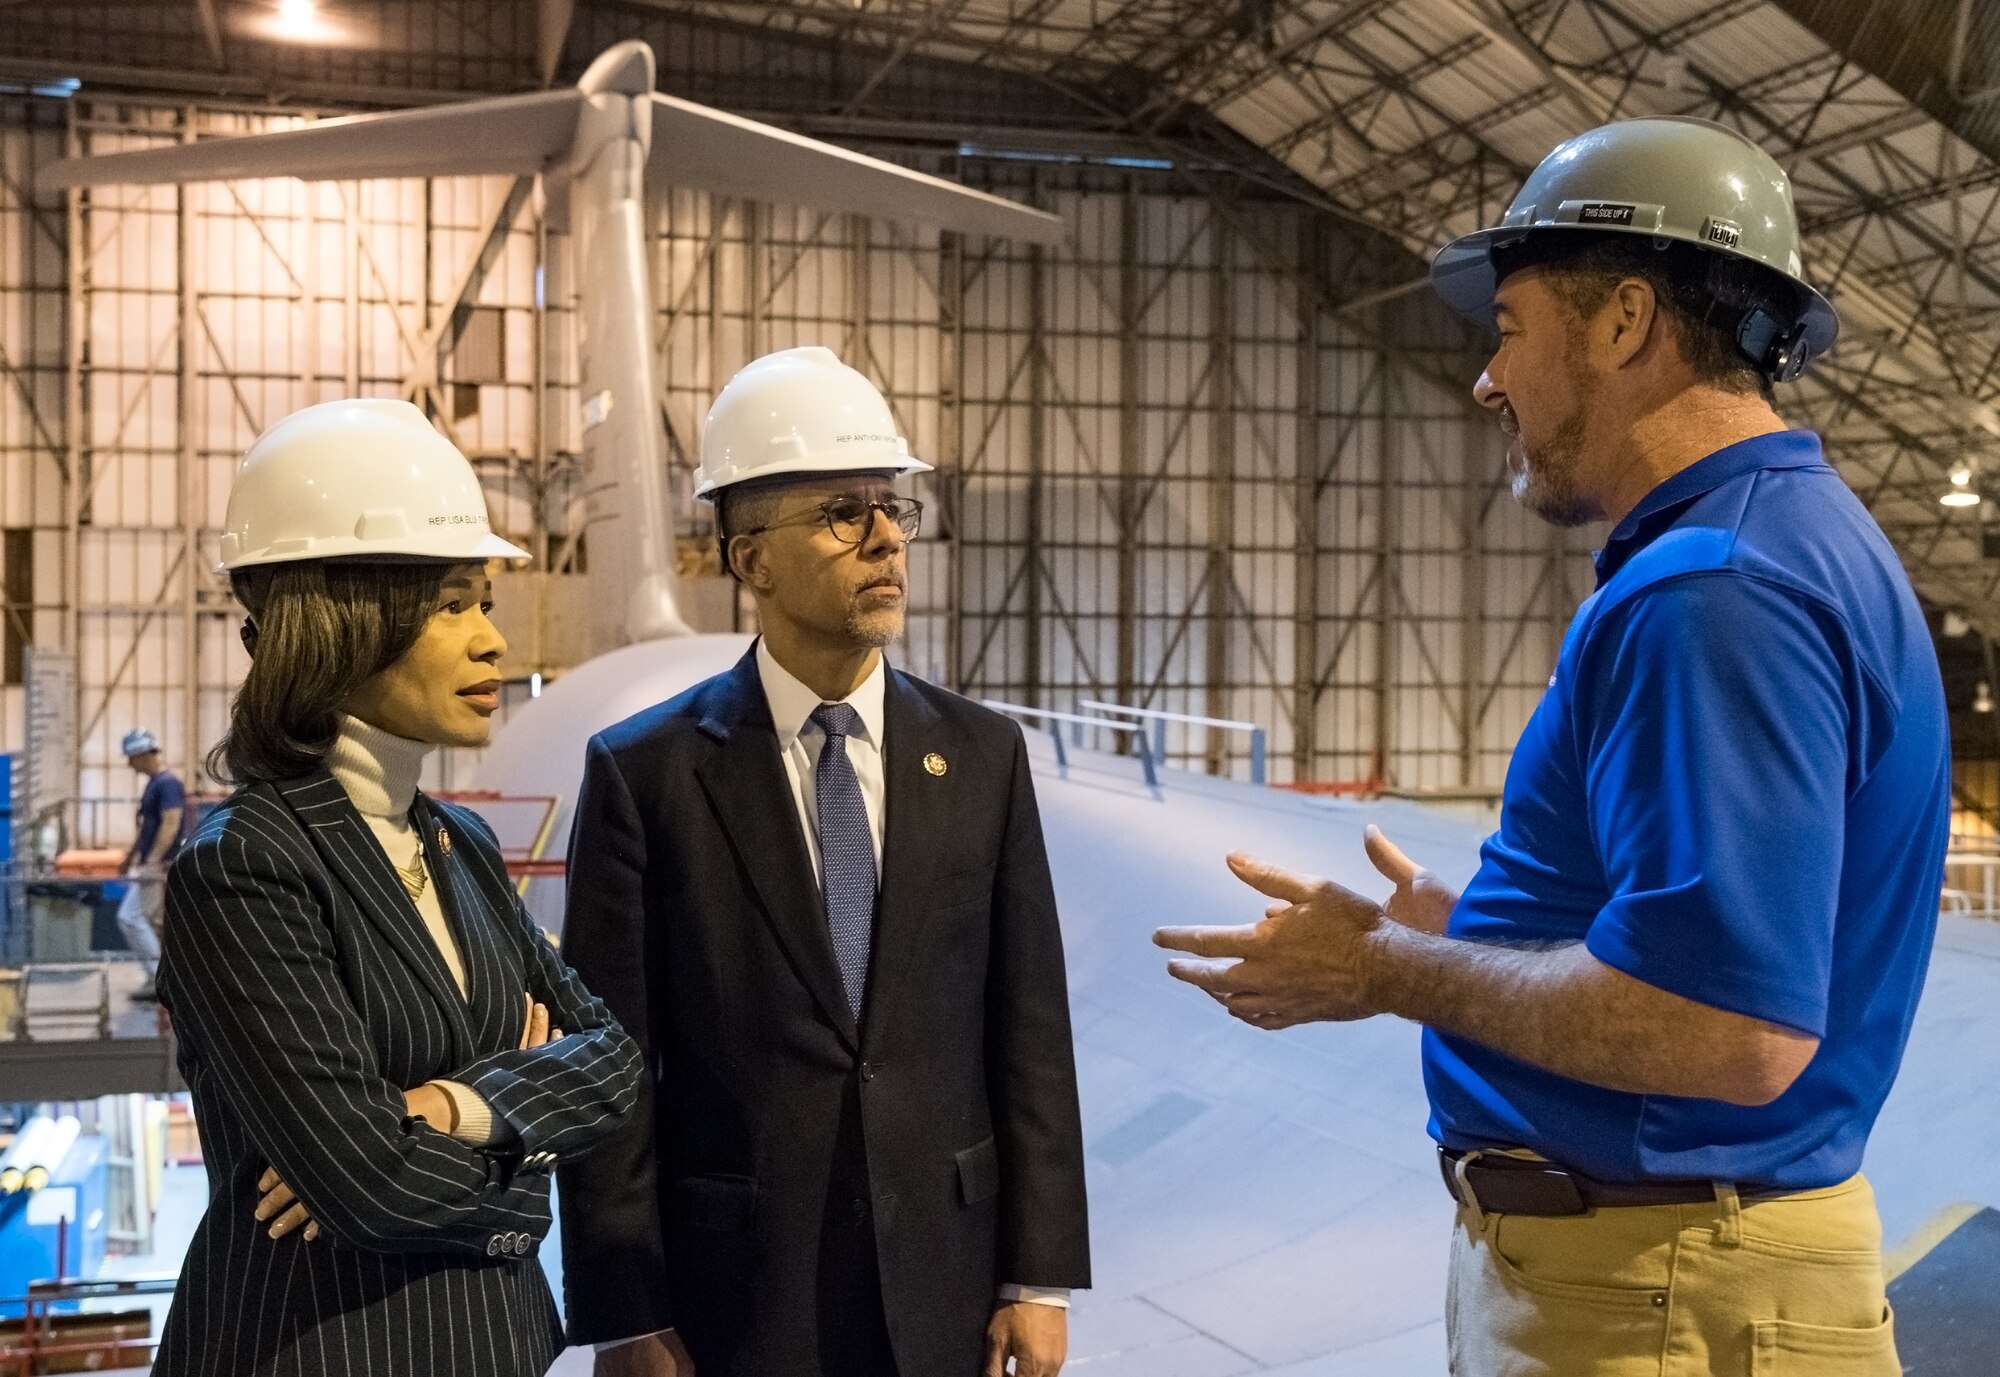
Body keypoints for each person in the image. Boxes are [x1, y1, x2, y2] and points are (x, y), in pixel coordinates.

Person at [1156, 117, 1944, 1377]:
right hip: (1667, 1277)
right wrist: (1468, 930)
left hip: (1661, 1293)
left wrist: (1389, 971)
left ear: (1623, 320)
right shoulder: (1787, 537)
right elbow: (1717, 926)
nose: (1484, 378)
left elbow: (1728, 1030)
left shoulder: (1710, 589)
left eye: (1509, 327)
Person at [558, 346, 1090, 1377]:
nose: (886, 537)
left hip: (947, 1278)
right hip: (736, 1296)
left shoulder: (981, 756)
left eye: (893, 510)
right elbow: (610, 1065)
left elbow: (1028, 1030)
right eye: (843, 513)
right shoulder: (648, 775)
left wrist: (1037, 1278)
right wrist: (625, 1311)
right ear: (748, 558)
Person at [155, 398, 642, 1376]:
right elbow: (368, 1185)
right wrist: (527, 1166)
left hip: (496, 1348)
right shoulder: (246, 866)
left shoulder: (456, 843)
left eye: (483, 604)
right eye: (450, 605)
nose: (492, 642)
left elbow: (615, 1066)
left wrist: (448, 1107)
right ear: (340, 624)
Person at [116, 728, 185, 1000]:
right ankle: (161, 977)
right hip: (151, 863)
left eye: (131, 758)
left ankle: (159, 978)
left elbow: (171, 822)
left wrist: (154, 860)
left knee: (131, 918)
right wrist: (131, 857)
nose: (129, 764)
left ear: (142, 755)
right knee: (151, 922)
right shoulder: (156, 783)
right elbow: (148, 825)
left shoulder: (167, 784)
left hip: (157, 865)